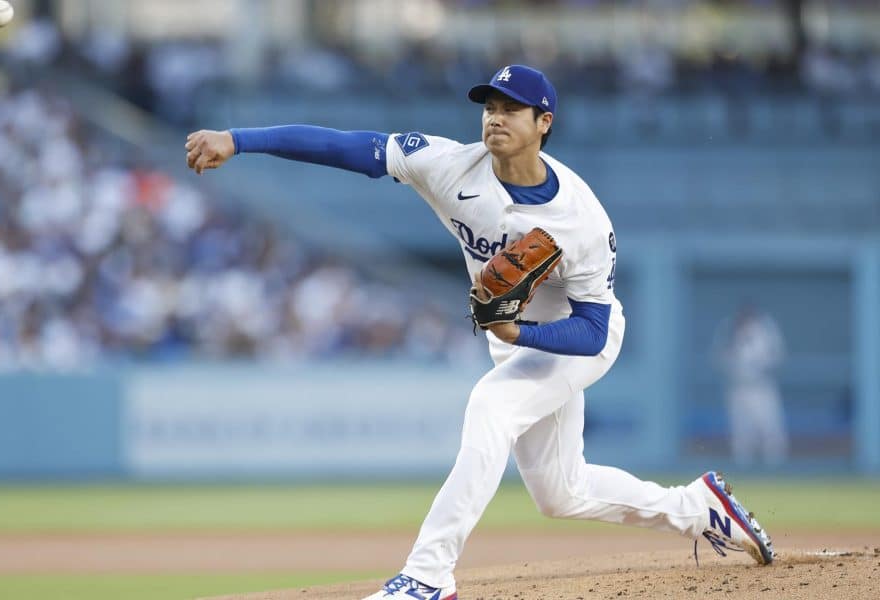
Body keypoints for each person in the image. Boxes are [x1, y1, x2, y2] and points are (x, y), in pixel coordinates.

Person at [185, 64, 774, 600]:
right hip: (513, 338)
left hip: (571, 337)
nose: (495, 117)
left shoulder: (582, 220)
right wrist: (239, 139)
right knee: (561, 493)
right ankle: (699, 508)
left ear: (544, 123)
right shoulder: (448, 164)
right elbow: (346, 146)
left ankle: (428, 576)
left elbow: (594, 332)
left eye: (512, 108)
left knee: (491, 407)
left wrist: (519, 335)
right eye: (490, 106)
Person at [714, 302, 788, 466]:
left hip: (761, 387)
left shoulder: (765, 328)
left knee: (769, 429)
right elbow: (719, 357)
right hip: (738, 387)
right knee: (741, 433)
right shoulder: (728, 329)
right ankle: (743, 468)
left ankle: (775, 467)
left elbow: (777, 356)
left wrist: (761, 366)